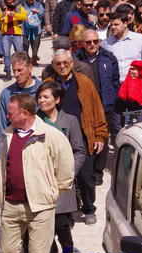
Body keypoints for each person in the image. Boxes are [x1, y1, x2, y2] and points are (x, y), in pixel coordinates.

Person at [0, 93, 74, 253]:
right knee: (8, 252)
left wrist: (51, 191)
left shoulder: (51, 135)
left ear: (25, 114)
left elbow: (65, 170)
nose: (7, 117)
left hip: (40, 206)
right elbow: (2, 168)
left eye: (10, 113)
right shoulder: (6, 135)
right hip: (11, 206)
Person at [44, 49, 108, 225]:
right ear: (53, 66)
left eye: (66, 62)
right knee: (62, 177)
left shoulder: (84, 83)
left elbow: (97, 108)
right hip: (57, 137)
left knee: (86, 175)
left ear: (72, 63)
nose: (62, 66)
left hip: (83, 136)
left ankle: (89, 208)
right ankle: (68, 213)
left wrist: (100, 136)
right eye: (58, 63)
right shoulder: (48, 84)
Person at [35, 82, 86, 253]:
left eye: (46, 97)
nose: (42, 100)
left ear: (57, 99)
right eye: (40, 97)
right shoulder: (34, 121)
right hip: (40, 182)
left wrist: (68, 172)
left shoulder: (70, 121)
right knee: (43, 229)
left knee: (62, 226)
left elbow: (79, 151)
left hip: (62, 184)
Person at [75, 30, 120, 185]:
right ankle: (86, 169)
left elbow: (115, 81)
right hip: (85, 105)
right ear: (82, 43)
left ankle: (98, 171)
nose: (92, 45)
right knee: (86, 136)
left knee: (103, 137)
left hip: (105, 104)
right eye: (88, 42)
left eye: (95, 41)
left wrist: (112, 99)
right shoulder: (76, 59)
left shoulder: (108, 57)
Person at [0, 52, 42, 156]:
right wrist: (0, 156)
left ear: (30, 68)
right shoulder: (6, 94)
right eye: (14, 71)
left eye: (20, 70)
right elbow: (2, 127)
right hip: (15, 149)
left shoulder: (43, 91)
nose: (16, 74)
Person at [101, 11, 142, 83]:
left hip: (136, 83)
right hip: (115, 85)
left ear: (125, 23)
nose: (113, 27)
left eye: (116, 24)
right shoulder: (105, 43)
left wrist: (140, 72)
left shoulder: (141, 39)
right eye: (111, 25)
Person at [0, 0, 27, 81]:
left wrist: (15, 14)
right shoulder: (1, 8)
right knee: (6, 54)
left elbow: (24, 17)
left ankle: (21, 70)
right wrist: (2, 15)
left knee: (20, 53)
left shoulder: (18, 6)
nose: (9, 1)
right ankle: (8, 72)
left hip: (16, 34)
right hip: (5, 34)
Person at [22, 0, 44, 65]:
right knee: (25, 45)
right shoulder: (23, 4)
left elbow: (42, 14)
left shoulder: (38, 4)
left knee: (35, 44)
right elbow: (18, 13)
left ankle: (34, 58)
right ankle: (26, 60)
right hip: (25, 29)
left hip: (36, 29)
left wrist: (38, 12)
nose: (31, 0)